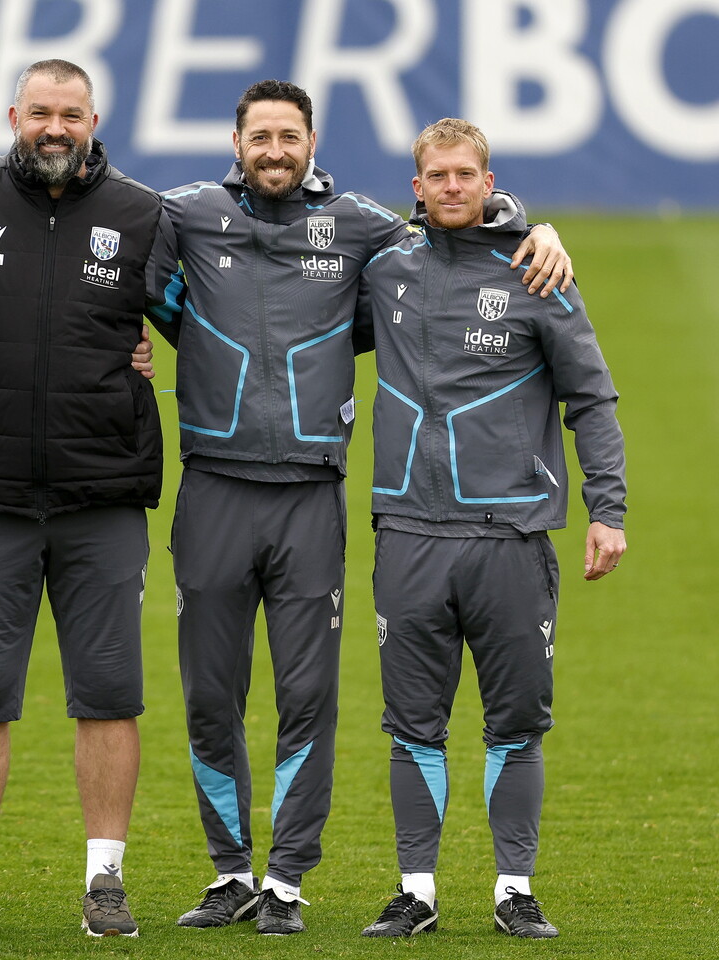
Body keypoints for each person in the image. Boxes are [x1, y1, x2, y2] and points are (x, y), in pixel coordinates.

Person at [147, 81, 571, 935]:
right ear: (236, 141)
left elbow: (455, 228)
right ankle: (230, 872)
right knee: (208, 697)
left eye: (289, 136)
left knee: (308, 696)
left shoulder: (362, 224)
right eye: (260, 135)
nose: (274, 149)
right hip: (213, 486)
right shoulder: (182, 213)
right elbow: (104, 240)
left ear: (311, 143)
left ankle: (288, 885)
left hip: (311, 493)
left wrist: (534, 224)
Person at [0, 59, 174, 937]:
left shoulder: (143, 215)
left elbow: (221, 307)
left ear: (96, 118)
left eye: (72, 115)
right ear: (13, 115)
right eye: (40, 113)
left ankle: (106, 881)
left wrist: (524, 223)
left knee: (109, 693)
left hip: (103, 493)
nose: (55, 129)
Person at [354, 118, 626, 939]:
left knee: (516, 721)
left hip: (510, 536)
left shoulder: (536, 271)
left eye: (464, 175)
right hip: (408, 532)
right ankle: (418, 891)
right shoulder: (385, 269)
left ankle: (514, 890)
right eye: (435, 175)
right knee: (412, 723)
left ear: (487, 179)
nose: (450, 187)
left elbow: (593, 397)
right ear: (417, 186)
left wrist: (607, 510)